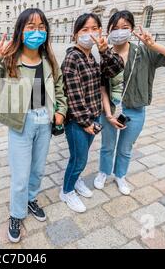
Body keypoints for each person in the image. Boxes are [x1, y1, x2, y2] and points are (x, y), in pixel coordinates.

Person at [0, 8, 67, 243]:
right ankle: (16, 214)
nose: (36, 32)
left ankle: (31, 199)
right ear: (20, 30)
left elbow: (59, 88)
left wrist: (61, 111)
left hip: (44, 122)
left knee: (37, 169)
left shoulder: (48, 61)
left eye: (41, 27)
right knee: (20, 174)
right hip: (20, 124)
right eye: (30, 27)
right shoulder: (9, 61)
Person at [94, 10, 165, 195]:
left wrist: (154, 46)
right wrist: (108, 114)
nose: (120, 31)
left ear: (132, 29)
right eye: (115, 28)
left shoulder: (144, 52)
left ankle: (120, 175)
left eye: (125, 27)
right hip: (110, 110)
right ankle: (103, 172)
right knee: (107, 146)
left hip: (135, 111)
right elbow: (103, 88)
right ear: (108, 31)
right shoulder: (105, 54)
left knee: (125, 148)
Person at [60, 13, 124, 213]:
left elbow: (116, 68)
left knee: (83, 154)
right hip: (78, 120)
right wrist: (86, 122)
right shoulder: (72, 58)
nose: (90, 33)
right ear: (75, 34)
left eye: (94, 28)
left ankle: (76, 180)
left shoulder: (94, 55)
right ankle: (67, 191)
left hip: (93, 115)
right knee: (78, 159)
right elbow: (73, 95)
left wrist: (104, 50)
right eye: (84, 30)